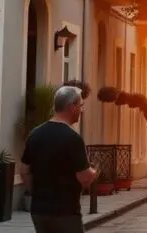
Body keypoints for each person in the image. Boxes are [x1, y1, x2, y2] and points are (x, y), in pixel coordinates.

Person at [20, 85, 97, 233]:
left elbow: (24, 171)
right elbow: (85, 178)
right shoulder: (73, 139)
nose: (82, 110)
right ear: (71, 107)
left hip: (39, 211)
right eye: (81, 106)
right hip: (65, 213)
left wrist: (37, 194)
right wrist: (95, 171)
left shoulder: (35, 134)